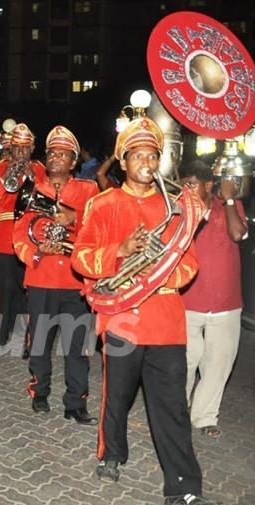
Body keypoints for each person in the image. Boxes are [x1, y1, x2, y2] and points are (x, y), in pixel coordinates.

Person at [71, 118, 211, 505]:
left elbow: (190, 264)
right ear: (123, 161)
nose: (147, 162)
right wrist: (120, 252)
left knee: (171, 408)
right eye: (138, 156)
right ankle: (111, 454)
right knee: (117, 397)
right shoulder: (102, 204)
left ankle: (183, 485)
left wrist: (161, 273)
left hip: (166, 322)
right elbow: (81, 259)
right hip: (123, 319)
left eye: (153, 155)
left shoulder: (176, 207)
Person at [12, 126, 99, 423]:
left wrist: (76, 216)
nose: (55, 158)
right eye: (51, 153)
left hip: (76, 282)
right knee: (40, 343)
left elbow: (102, 229)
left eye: (62, 154)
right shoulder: (32, 190)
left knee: (78, 347)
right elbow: (19, 236)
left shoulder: (89, 192)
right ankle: (40, 392)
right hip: (41, 279)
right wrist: (38, 254)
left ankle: (76, 402)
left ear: (74, 161)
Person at [179, 160, 247, 439]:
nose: (186, 189)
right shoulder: (181, 209)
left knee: (218, 364)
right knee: (183, 361)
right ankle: (177, 412)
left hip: (225, 303)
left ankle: (205, 415)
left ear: (209, 185)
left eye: (192, 184)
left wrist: (230, 200)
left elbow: (238, 233)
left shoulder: (230, 207)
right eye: (184, 184)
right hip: (187, 299)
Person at [0, 123, 46, 347]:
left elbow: (50, 201)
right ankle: (2, 333)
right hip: (4, 239)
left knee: (30, 290)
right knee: (4, 289)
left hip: (31, 238)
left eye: (25, 148)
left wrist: (33, 178)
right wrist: (6, 176)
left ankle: (29, 339)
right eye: (16, 148)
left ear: (33, 148)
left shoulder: (41, 170)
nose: (20, 153)